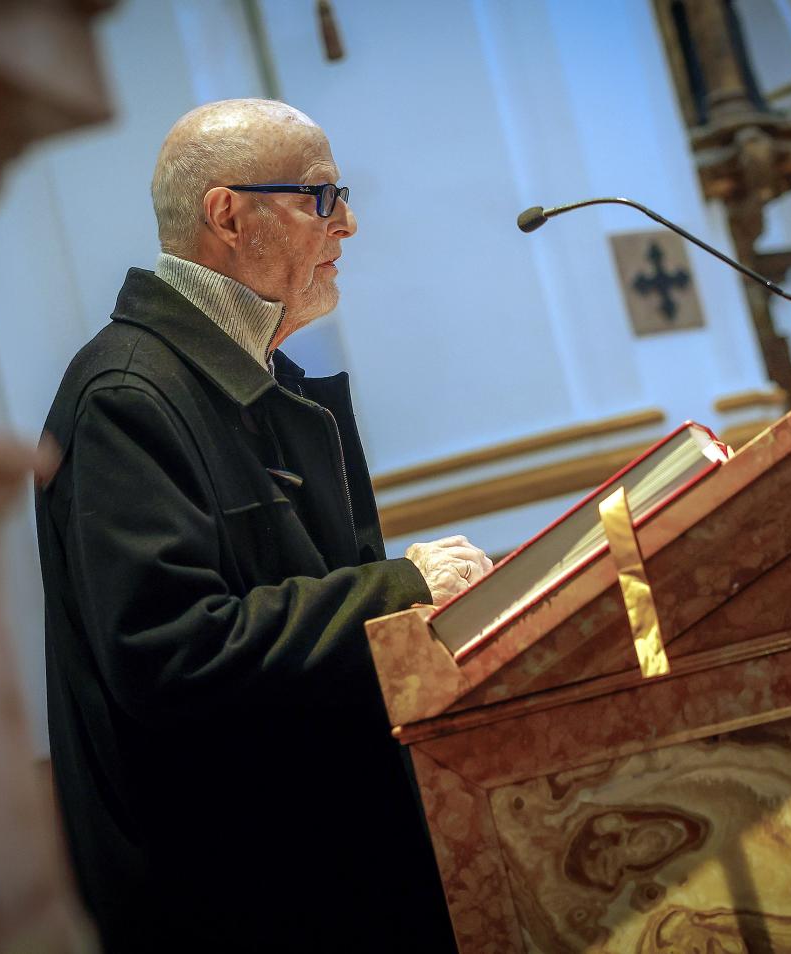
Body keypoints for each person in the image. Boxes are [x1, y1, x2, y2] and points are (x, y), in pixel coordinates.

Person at [35, 98, 491, 952]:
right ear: (228, 215)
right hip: (234, 891)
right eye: (322, 197)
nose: (347, 224)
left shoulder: (250, 372)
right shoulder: (129, 396)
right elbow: (170, 650)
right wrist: (406, 586)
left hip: (315, 859)